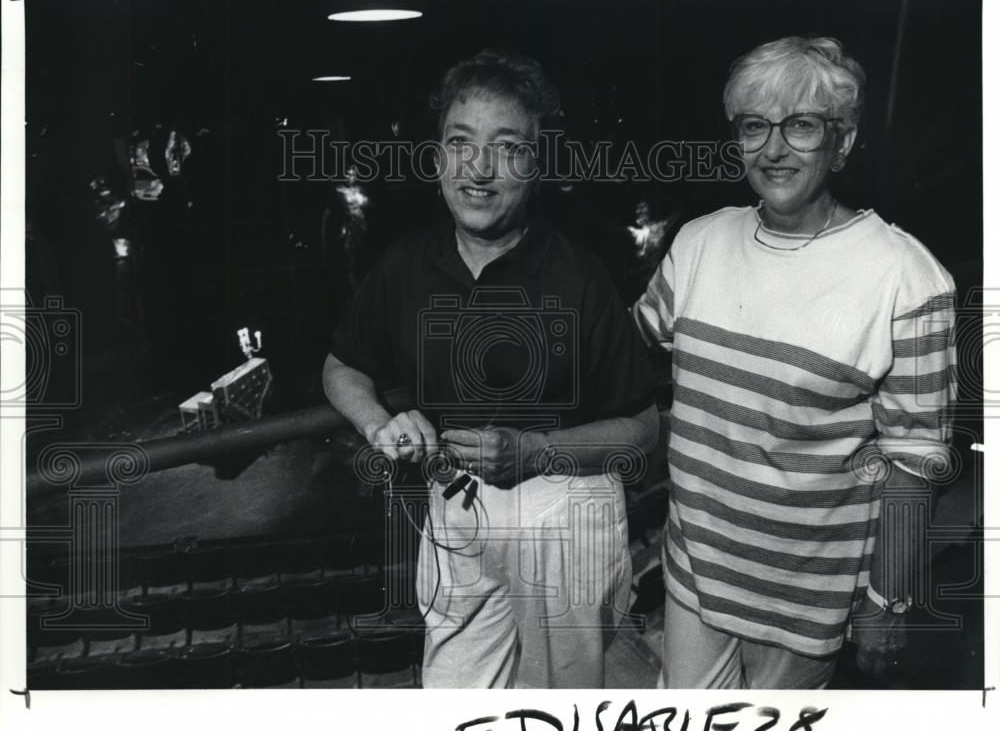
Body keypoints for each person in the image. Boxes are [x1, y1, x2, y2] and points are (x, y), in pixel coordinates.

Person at [323, 49, 658, 688]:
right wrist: (380, 423)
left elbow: (642, 428)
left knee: (555, 714)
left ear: (536, 163)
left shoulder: (578, 274)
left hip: (564, 509)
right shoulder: (406, 263)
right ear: (438, 157)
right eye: (460, 143)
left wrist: (534, 451)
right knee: (453, 705)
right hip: (455, 505)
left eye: (507, 147)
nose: (479, 169)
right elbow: (341, 367)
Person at [632, 36, 956, 688]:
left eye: (801, 125)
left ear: (842, 141)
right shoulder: (698, 243)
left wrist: (885, 603)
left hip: (805, 602)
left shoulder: (907, 279)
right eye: (755, 126)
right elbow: (622, 353)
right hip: (695, 575)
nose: (774, 149)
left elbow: (913, 466)